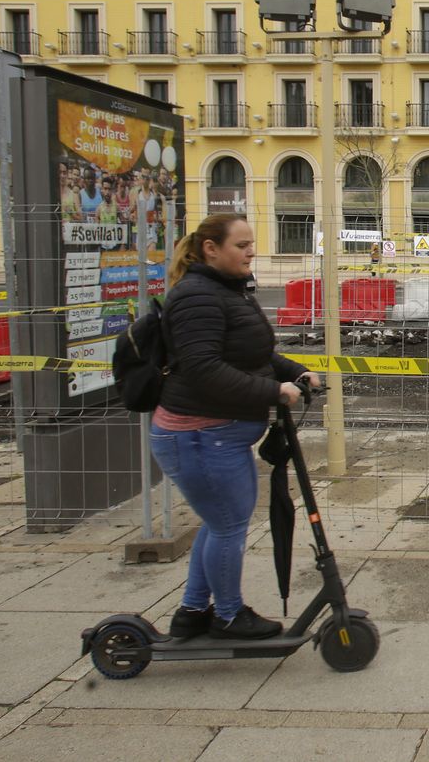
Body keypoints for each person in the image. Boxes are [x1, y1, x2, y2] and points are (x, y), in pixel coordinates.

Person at [151, 213, 320, 640]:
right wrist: (272, 391)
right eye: (241, 245)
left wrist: (296, 370)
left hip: (216, 434)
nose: (251, 251)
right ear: (211, 248)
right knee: (227, 525)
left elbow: (252, 355)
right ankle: (227, 615)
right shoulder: (197, 298)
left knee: (219, 522)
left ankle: (192, 612)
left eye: (251, 243)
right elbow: (205, 369)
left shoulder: (225, 291)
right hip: (199, 434)